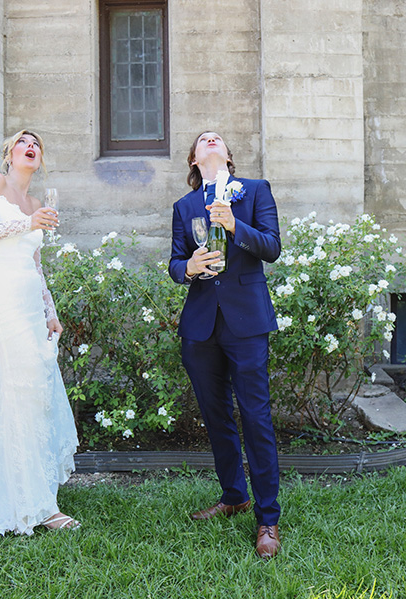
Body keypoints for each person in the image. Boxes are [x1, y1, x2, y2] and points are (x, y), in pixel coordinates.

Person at [0, 130, 80, 537]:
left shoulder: (38, 204)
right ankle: (32, 505)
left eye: (37, 144)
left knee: (35, 392)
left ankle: (33, 489)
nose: (31, 146)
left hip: (29, 303)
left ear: (40, 159)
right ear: (10, 153)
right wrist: (24, 222)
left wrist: (50, 310)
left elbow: (35, 262)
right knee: (15, 390)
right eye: (23, 141)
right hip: (0, 300)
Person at [168, 131, 283, 558]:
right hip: (200, 327)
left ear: (228, 157)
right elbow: (174, 262)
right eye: (203, 140)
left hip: (247, 323)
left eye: (217, 139)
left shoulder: (253, 192)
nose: (211, 140)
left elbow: (271, 247)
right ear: (194, 160)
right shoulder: (184, 207)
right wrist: (189, 268)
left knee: (255, 417)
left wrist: (235, 225)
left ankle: (267, 519)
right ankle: (234, 495)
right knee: (217, 416)